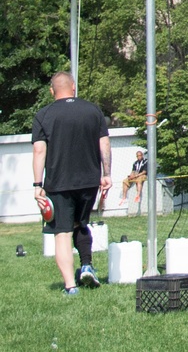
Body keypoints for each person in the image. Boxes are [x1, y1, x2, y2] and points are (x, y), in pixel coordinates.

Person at [32, 72, 112, 295]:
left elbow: (39, 150)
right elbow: (104, 143)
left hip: (58, 183)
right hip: (89, 181)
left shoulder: (43, 115)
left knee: (63, 233)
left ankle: (70, 286)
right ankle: (86, 264)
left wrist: (37, 184)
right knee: (81, 223)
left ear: (52, 91)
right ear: (74, 87)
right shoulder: (93, 110)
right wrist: (107, 174)